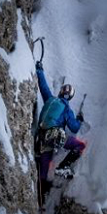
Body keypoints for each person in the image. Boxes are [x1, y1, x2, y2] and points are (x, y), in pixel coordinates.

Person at [34, 60, 86, 205]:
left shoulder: (50, 99)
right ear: (70, 97)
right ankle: (63, 167)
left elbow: (43, 86)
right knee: (79, 146)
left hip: (41, 137)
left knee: (44, 167)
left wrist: (39, 70)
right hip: (55, 136)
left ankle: (40, 197)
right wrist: (79, 119)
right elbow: (74, 128)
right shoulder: (66, 109)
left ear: (61, 92)